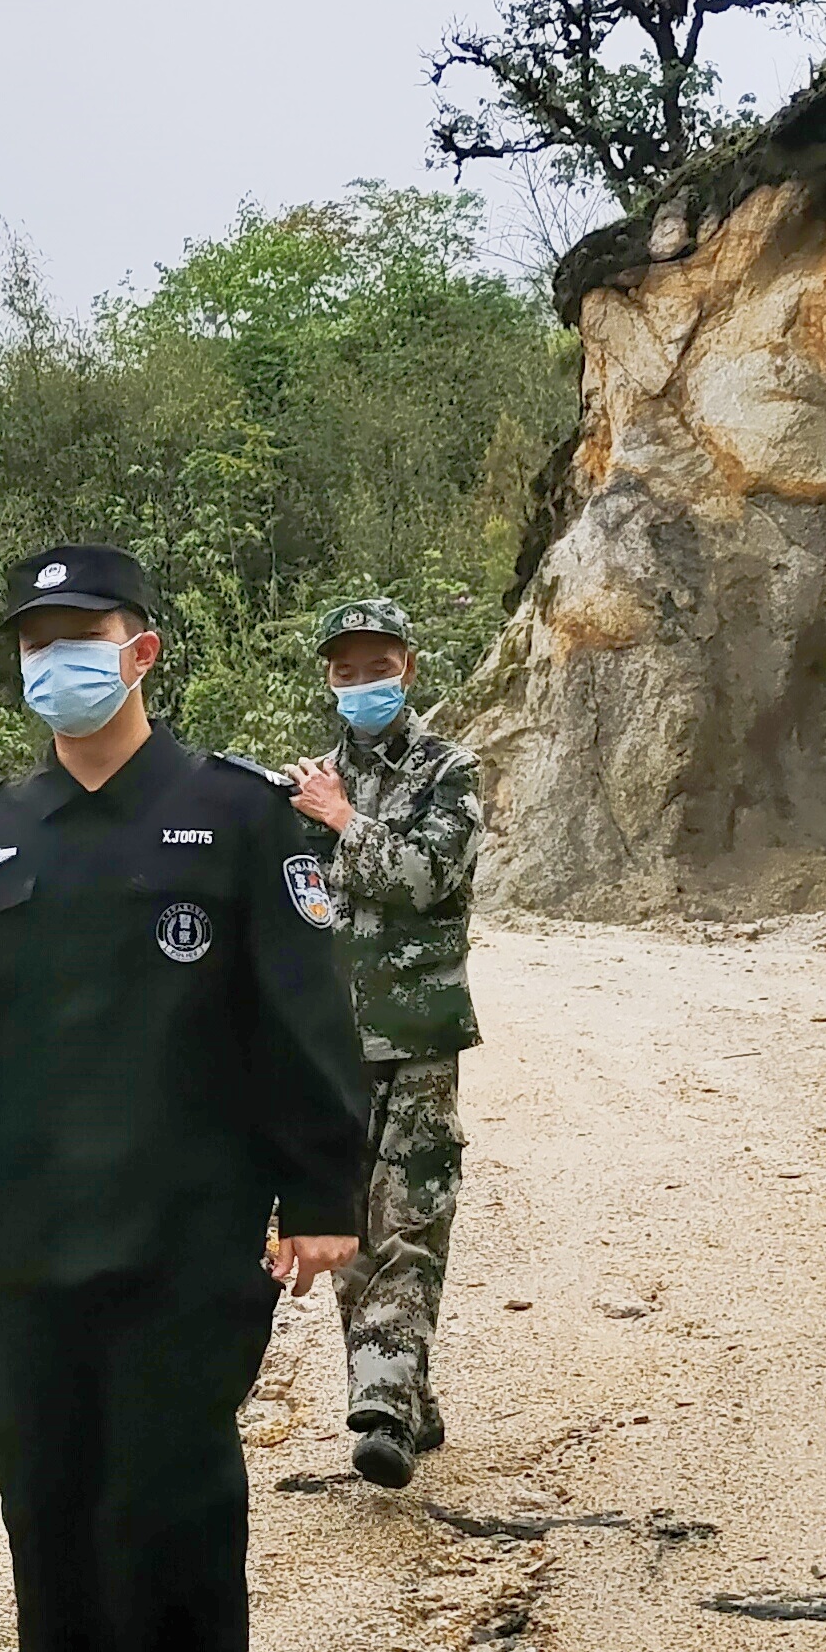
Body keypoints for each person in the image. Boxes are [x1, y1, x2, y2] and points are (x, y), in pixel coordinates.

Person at [0, 541, 371, 1652]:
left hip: (186, 1247)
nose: (58, 658)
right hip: (28, 1259)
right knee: (52, 1528)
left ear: (142, 650)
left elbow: (304, 1014)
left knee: (172, 1515)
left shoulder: (240, 817)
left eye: (82, 632)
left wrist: (323, 1193)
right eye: (35, 639)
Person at [285, 594, 483, 1491]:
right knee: (350, 1232)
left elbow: (429, 876)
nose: (362, 681)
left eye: (379, 666)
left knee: (411, 1219)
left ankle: (380, 1408)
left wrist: (342, 821)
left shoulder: (449, 771)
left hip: (418, 1033)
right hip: (333, 1045)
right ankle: (407, 1393)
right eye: (347, 669)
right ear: (329, 679)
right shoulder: (312, 781)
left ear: (408, 667)